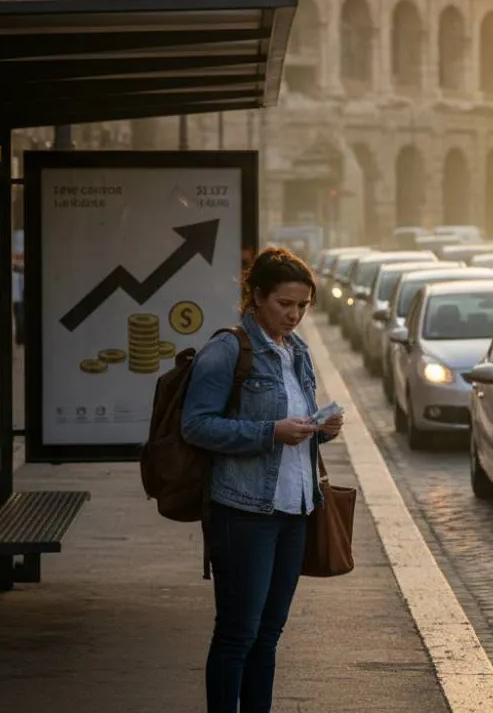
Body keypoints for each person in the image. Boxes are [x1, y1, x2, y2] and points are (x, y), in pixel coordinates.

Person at [181, 247, 344, 713]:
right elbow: (196, 425)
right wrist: (270, 432)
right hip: (244, 511)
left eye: (302, 306)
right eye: (284, 304)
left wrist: (321, 430)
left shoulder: (299, 352)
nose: (294, 315)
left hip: (296, 508)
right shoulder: (228, 349)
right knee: (238, 634)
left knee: (269, 635)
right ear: (256, 297)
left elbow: (297, 427)